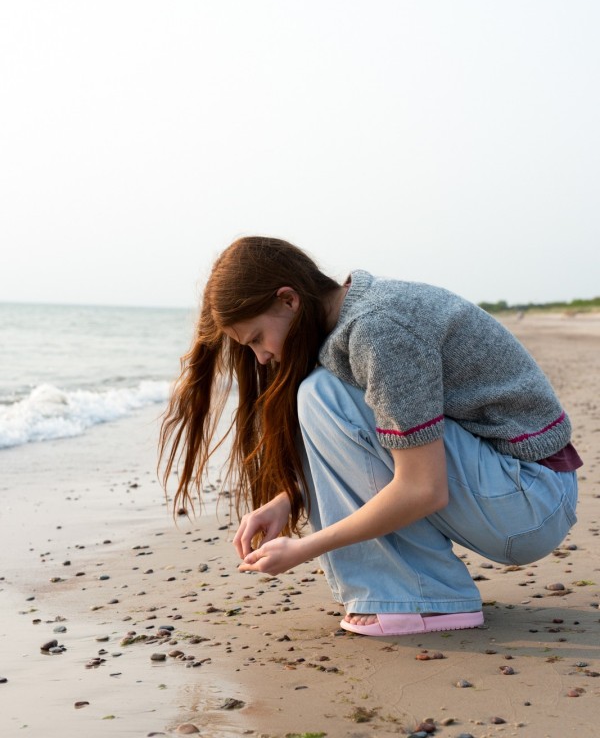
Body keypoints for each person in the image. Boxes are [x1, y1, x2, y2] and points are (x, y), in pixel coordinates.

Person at [159, 236, 582, 637]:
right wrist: (290, 498)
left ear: (289, 299)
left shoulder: (378, 329)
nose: (263, 357)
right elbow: (387, 456)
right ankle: (417, 592)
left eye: (256, 339)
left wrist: (303, 549)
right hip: (515, 492)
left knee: (322, 394)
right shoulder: (355, 321)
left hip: (531, 502)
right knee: (322, 393)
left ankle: (422, 598)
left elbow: (423, 488)